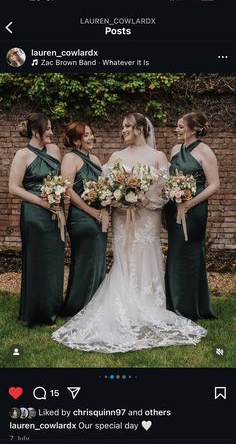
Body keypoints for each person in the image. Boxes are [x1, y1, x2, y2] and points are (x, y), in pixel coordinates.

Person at [52, 112, 206, 352]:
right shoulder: (116, 157)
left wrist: (146, 200)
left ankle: (148, 303)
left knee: (147, 252)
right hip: (123, 217)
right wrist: (121, 199)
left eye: (127, 126)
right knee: (124, 257)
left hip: (148, 217)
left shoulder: (158, 156)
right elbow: (105, 188)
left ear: (140, 130)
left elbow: (166, 191)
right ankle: (123, 304)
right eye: (122, 126)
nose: (122, 130)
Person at [9, 113, 64, 326]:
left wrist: (58, 197)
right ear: (35, 131)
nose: (51, 132)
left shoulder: (55, 151)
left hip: (54, 211)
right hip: (34, 213)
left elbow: (59, 180)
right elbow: (13, 187)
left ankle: (52, 308)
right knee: (36, 261)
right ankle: (34, 312)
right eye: (47, 128)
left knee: (54, 260)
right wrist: (40, 202)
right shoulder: (22, 155)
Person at [165, 111, 220, 320]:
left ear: (193, 128)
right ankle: (174, 303)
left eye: (180, 126)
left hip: (194, 209)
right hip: (174, 209)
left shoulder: (205, 151)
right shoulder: (174, 150)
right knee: (175, 252)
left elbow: (214, 184)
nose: (176, 130)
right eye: (176, 126)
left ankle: (190, 306)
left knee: (190, 252)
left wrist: (191, 203)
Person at [60, 122, 107, 316]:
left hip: (99, 216)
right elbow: (68, 189)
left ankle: (96, 304)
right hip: (81, 218)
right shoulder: (70, 158)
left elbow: (105, 187)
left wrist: (104, 209)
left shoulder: (95, 159)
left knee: (98, 260)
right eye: (85, 135)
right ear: (74, 140)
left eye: (91, 133)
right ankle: (78, 305)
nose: (90, 138)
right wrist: (91, 211)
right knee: (84, 261)